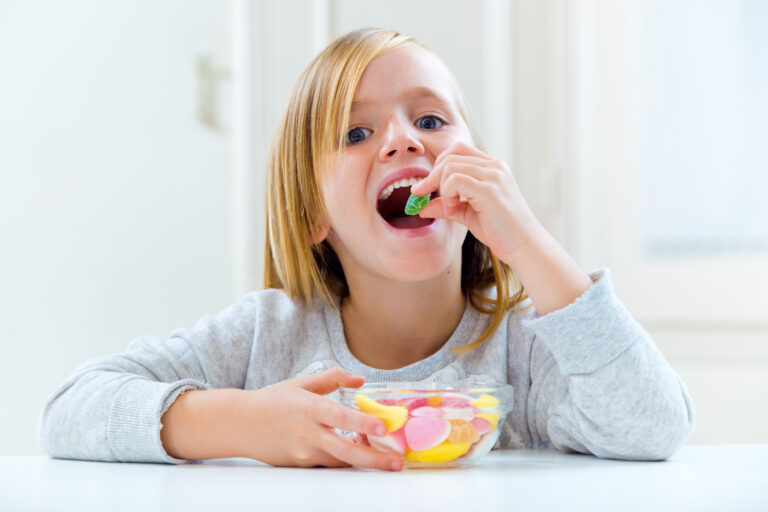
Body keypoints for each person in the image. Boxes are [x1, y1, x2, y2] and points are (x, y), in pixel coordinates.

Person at [38, 28, 694, 472]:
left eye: (431, 120)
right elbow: (70, 411)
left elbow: (652, 426)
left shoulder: (522, 351)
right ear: (310, 215)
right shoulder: (266, 337)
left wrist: (526, 239)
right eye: (356, 131)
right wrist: (247, 424)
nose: (404, 141)